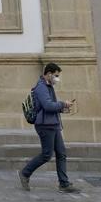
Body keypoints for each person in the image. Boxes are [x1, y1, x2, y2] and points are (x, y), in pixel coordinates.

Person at [18, 62, 78, 193]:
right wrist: (63, 104)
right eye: (56, 75)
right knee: (46, 155)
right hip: (45, 126)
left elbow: (51, 106)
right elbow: (47, 106)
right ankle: (25, 173)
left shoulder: (49, 86)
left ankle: (64, 183)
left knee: (61, 153)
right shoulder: (41, 87)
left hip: (53, 124)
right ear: (49, 74)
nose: (57, 78)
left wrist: (63, 108)